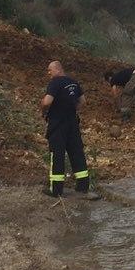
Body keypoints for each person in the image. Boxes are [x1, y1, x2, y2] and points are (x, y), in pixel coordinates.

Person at [41, 60, 92, 198]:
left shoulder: (55, 82)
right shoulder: (73, 82)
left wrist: (43, 110)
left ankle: (56, 190)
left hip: (58, 123)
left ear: (57, 69)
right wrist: (71, 109)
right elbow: (83, 101)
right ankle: (83, 186)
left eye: (50, 70)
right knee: (76, 152)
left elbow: (47, 101)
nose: (49, 73)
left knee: (57, 154)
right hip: (72, 123)